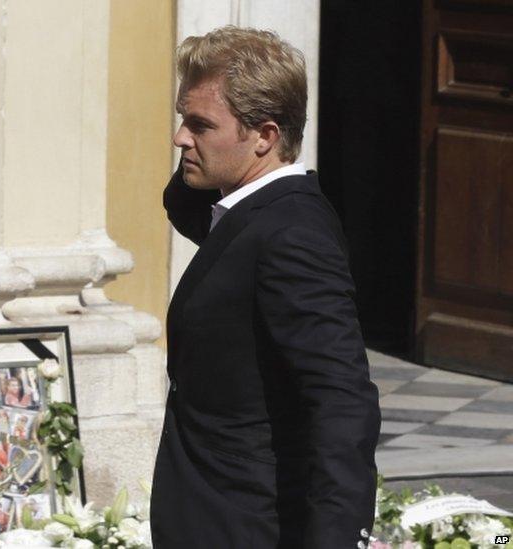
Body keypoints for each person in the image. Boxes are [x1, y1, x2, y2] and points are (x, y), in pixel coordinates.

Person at [151, 26, 381, 548]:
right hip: (208, 516)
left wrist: (338, 540)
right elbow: (183, 204)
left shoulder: (293, 235)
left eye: (200, 125)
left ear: (265, 136)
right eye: (182, 119)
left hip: (250, 526)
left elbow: (342, 399)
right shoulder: (243, 214)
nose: (180, 138)